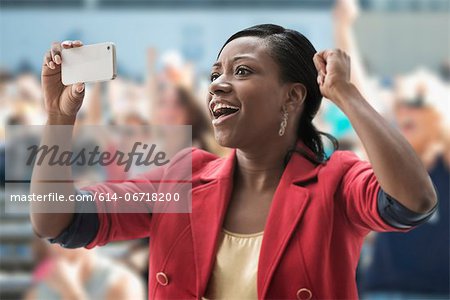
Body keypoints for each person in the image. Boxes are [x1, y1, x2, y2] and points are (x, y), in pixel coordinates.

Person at [30, 25, 438, 299]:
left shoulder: (337, 179)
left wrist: (346, 93)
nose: (218, 84)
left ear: (292, 97)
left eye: (242, 71)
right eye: (214, 74)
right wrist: (59, 117)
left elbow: (413, 202)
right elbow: (57, 221)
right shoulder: (183, 177)